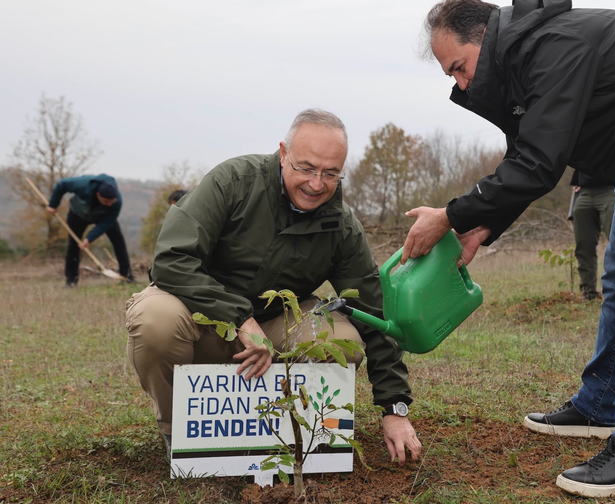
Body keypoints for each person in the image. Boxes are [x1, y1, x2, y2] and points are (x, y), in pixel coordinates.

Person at [404, 0, 615, 497]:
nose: (459, 84)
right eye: (450, 75)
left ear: (484, 38)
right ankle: (597, 406)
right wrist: (482, 228)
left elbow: (540, 163)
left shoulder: (555, 46)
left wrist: (449, 215)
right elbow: (525, 156)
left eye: (459, 67)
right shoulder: (518, 69)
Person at [124, 109, 421, 466]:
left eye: (330, 173)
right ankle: (183, 437)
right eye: (306, 168)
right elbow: (171, 260)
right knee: (154, 319)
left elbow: (374, 313)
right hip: (200, 316)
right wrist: (240, 319)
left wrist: (395, 406)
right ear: (283, 153)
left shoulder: (341, 227)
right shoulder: (232, 182)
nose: (316, 184)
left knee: (341, 341)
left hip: (275, 323)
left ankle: (293, 434)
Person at [47, 174, 134, 287]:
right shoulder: (82, 184)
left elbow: (107, 223)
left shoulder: (116, 202)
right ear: (98, 195)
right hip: (78, 214)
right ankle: (71, 280)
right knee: (73, 245)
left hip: (103, 217)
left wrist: (89, 238)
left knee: (119, 241)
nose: (109, 204)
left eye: (111, 202)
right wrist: (53, 204)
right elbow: (62, 184)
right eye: (106, 201)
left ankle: (127, 276)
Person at [568, 170, 615, 300]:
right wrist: (577, 180)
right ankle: (588, 292)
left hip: (611, 189)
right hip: (584, 191)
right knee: (584, 246)